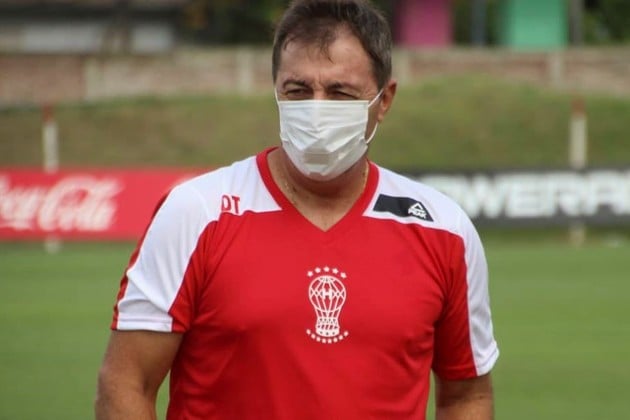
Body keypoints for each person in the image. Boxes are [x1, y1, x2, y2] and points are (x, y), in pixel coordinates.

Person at [94, 0, 499, 419]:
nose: (317, 110)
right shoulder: (196, 213)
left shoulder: (444, 230)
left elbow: (467, 396)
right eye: (298, 91)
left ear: (384, 100)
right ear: (276, 91)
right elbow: (126, 382)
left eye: (340, 93)